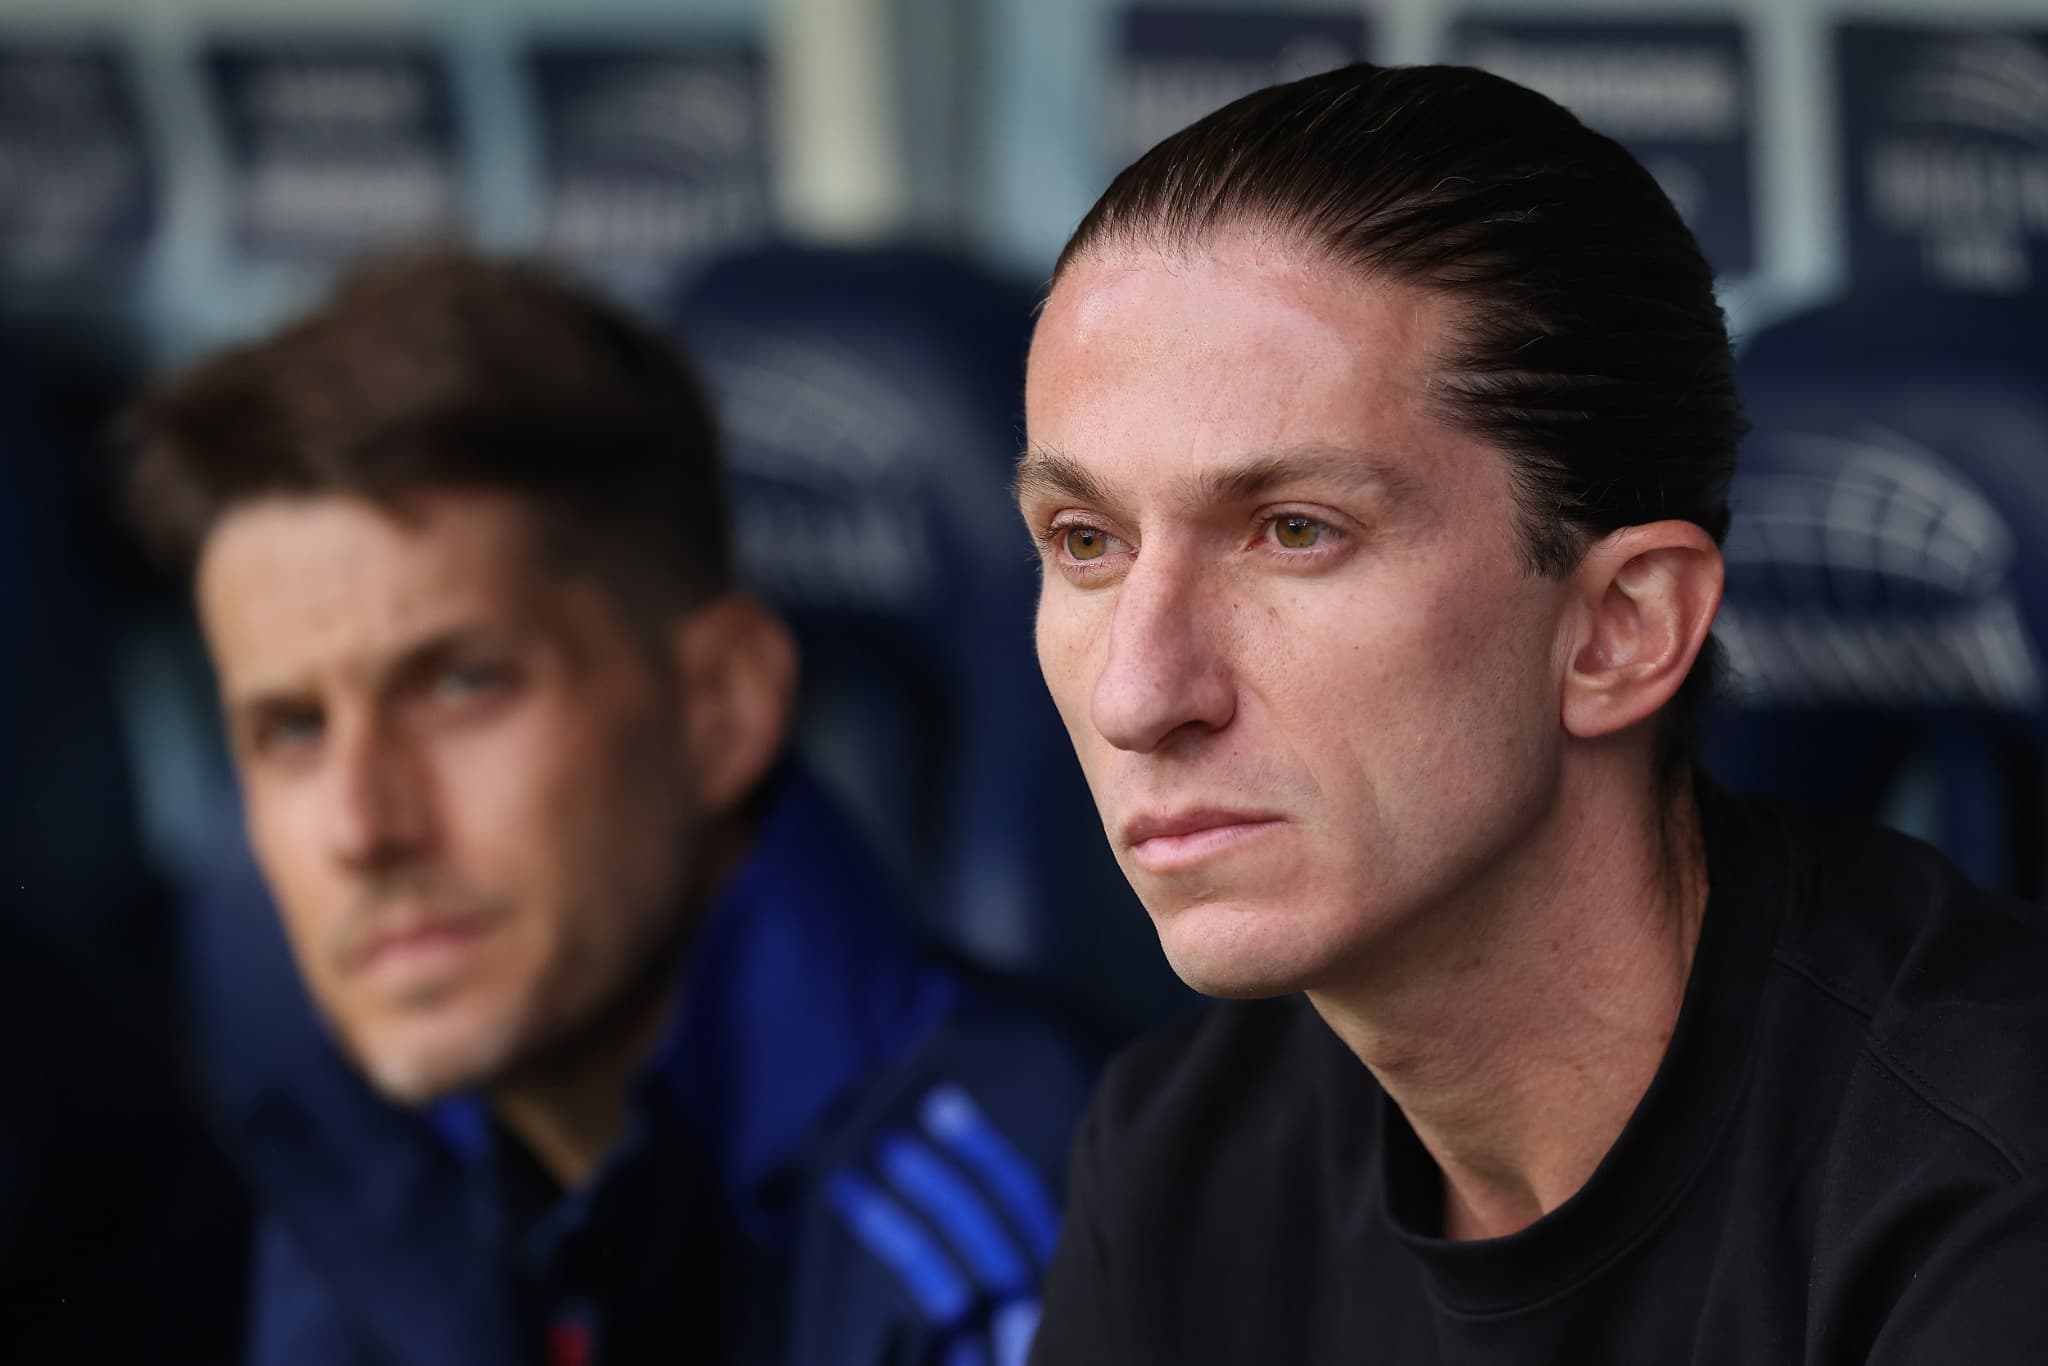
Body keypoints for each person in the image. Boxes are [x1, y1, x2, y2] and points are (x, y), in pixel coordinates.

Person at [1015, 62, 2048, 1364]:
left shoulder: (1990, 1183)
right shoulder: (1183, 1159)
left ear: (1621, 628)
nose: (1138, 690)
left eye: (1293, 531)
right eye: (1086, 539)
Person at [126, 249, 1094, 1366]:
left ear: (720, 707)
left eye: (459, 684)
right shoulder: (379, 1157)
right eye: (289, 728)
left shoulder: (1007, 1242)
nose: (363, 825)